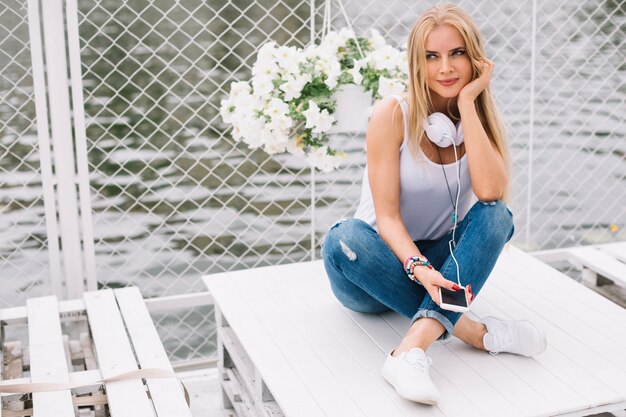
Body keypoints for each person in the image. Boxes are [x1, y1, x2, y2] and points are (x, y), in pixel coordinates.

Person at [321, 4, 546, 406]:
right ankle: (476, 333)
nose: (445, 67)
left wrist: (469, 104)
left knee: (497, 216)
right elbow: (386, 218)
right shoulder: (392, 114)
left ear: (474, 59)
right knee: (342, 238)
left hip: (442, 265)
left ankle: (410, 351)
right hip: (375, 266)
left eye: (457, 53)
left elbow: (492, 192)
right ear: (416, 62)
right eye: (432, 56)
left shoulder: (471, 121)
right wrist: (420, 269)